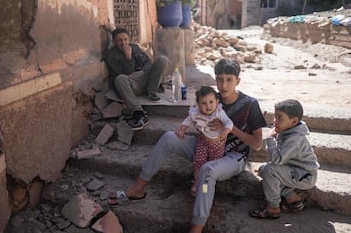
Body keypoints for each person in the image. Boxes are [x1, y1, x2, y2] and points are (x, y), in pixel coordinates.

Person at [109, 58, 267, 233]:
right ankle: (138, 188)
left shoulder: (250, 104)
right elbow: (195, 118)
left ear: (238, 80)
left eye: (229, 79)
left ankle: (197, 227)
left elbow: (257, 144)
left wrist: (229, 129)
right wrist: (190, 128)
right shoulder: (211, 99)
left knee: (207, 172)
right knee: (169, 137)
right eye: (220, 79)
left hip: (233, 156)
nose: (224, 85)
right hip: (205, 146)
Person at [249, 99, 319, 219]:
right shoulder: (288, 131)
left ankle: (273, 207)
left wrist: (270, 139)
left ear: (294, 121)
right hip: (295, 171)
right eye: (275, 117)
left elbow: (277, 160)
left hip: (305, 176)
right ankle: (291, 196)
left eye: (279, 118)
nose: (275, 121)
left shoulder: (295, 139)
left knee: (269, 171)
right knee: (264, 170)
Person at [104, 28, 169, 130]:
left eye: (125, 39)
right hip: (132, 83)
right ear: (114, 42)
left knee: (163, 59)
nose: (123, 43)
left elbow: (148, 63)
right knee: (119, 79)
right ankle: (138, 112)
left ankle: (152, 91)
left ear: (128, 39)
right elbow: (125, 74)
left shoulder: (134, 47)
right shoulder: (111, 55)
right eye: (120, 40)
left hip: (145, 76)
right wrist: (128, 58)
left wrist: (145, 70)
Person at [175, 85, 234, 195]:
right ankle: (196, 183)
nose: (208, 106)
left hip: (218, 145)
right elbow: (187, 121)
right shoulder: (196, 113)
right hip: (202, 143)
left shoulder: (219, 112)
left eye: (211, 102)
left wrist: (226, 130)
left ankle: (207, 188)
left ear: (217, 102)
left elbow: (228, 122)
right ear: (198, 104)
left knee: (211, 167)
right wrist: (182, 130)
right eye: (204, 103)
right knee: (199, 162)